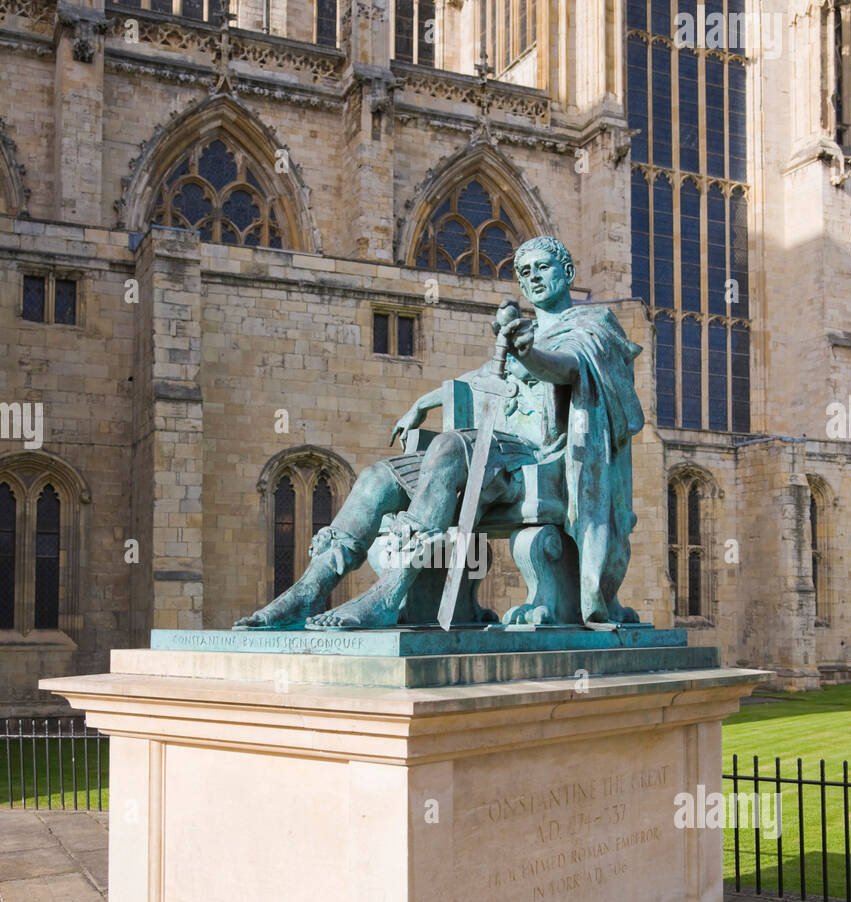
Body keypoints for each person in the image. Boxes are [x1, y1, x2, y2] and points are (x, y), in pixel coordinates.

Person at [234, 236, 644, 630]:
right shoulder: (521, 331)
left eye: (543, 267)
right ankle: (308, 590)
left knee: (449, 445)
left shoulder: (593, 325)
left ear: (567, 272)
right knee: (379, 476)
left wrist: (528, 353)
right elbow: (481, 378)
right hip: (494, 458)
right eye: (524, 272)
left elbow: (569, 368)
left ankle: (391, 592)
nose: (533, 277)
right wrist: (423, 403)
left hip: (544, 459)